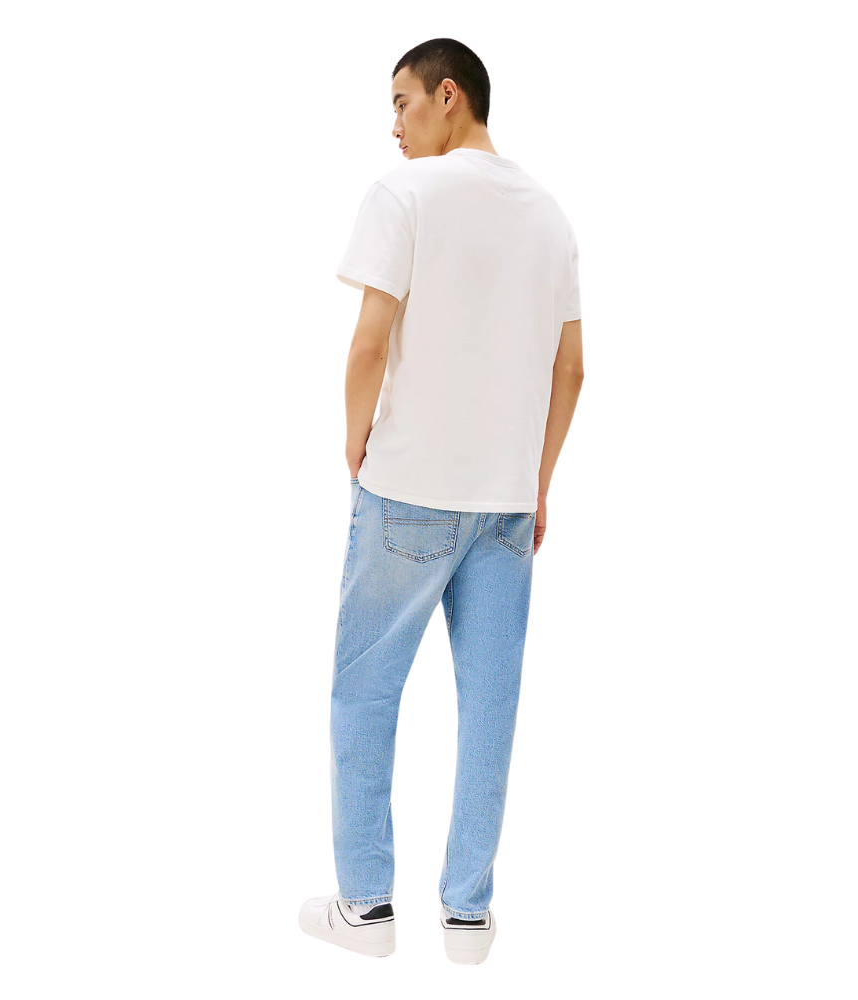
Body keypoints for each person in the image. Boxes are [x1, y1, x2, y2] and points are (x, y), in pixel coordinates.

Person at [298, 37, 583, 964]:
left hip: (408, 492)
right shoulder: (551, 217)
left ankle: (365, 907)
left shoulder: (406, 195)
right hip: (505, 504)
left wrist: (355, 440)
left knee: (364, 691)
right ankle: (467, 915)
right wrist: (538, 484)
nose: (394, 125)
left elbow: (368, 343)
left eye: (402, 103)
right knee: (490, 705)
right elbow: (572, 371)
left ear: (448, 95)